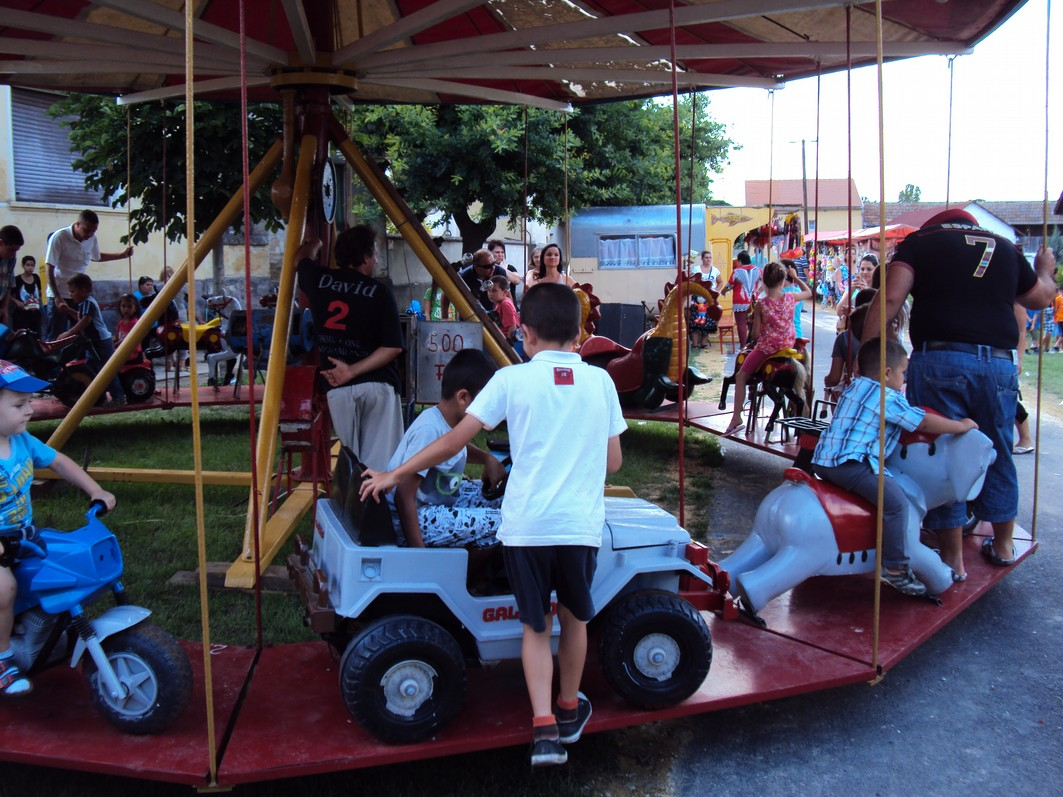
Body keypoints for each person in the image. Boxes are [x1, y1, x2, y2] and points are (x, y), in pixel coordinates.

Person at [360, 283, 626, 768]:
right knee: (574, 619)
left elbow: (450, 442)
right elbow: (612, 464)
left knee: (533, 625)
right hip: (578, 527)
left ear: (524, 333)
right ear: (578, 333)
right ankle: (570, 709)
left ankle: (543, 728)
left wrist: (393, 473)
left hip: (525, 529)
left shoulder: (511, 380)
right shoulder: (601, 383)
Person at [862, 208, 1057, 577]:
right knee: (998, 448)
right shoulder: (1005, 249)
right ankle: (1002, 543)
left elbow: (890, 300)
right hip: (998, 364)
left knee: (942, 451)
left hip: (941, 359)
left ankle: (952, 557)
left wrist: (867, 358)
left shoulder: (919, 243)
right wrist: (1046, 268)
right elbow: (1040, 298)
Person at [812, 338, 978, 594]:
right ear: (887, 373)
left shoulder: (854, 386)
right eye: (903, 373)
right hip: (850, 464)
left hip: (823, 460)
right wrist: (961, 426)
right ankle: (895, 567)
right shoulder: (886, 397)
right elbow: (922, 423)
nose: (903, 379)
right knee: (897, 504)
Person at [0, 359, 116, 696]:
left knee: (61, 567)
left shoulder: (22, 442)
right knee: (4, 589)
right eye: (20, 405)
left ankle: (45, 633)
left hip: (22, 535)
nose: (30, 410)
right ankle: (3, 660)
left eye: (30, 402)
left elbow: (60, 462)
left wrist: (95, 489)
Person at [296, 227, 404, 472]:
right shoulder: (380, 292)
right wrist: (353, 370)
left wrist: (316, 242)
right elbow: (393, 346)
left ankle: (355, 506)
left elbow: (301, 259)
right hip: (377, 386)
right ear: (365, 257)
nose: (376, 260)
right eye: (374, 254)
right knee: (380, 468)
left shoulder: (318, 280)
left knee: (352, 464)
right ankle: (377, 509)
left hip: (337, 387)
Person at [384, 349, 506, 549]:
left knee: (504, 502)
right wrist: (419, 556)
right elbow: (403, 497)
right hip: (415, 518)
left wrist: (488, 459)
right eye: (486, 404)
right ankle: (469, 577)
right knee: (504, 523)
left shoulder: (445, 424)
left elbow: (453, 447)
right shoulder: (429, 429)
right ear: (463, 398)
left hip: (435, 505)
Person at [724, 262, 811, 436]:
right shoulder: (790, 297)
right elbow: (809, 292)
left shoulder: (761, 305)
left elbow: (755, 334)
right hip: (788, 347)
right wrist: (795, 277)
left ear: (763, 282)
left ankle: (736, 417)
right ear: (782, 281)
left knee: (741, 376)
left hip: (767, 350)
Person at [44, 209, 134, 338]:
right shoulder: (59, 237)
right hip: (59, 293)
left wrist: (122, 255)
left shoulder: (92, 239)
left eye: (93, 231)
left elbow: (96, 257)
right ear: (77, 224)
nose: (90, 234)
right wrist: (57, 297)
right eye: (86, 230)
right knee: (56, 335)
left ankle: (77, 358)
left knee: (81, 334)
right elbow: (49, 267)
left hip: (79, 296)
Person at [63, 273, 126, 407]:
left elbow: (85, 321)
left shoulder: (87, 302)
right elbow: (82, 318)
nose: (71, 294)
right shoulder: (84, 304)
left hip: (101, 342)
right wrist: (69, 311)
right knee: (91, 369)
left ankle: (119, 397)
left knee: (106, 370)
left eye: (73, 291)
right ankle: (99, 395)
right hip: (94, 342)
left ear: (84, 290)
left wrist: (69, 333)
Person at [445, 249, 509, 318]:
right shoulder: (464, 277)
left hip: (494, 317)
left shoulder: (500, 272)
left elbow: (507, 294)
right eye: (487, 266)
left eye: (494, 263)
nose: (493, 268)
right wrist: (444, 317)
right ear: (476, 267)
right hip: (470, 317)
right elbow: (446, 294)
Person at [719, 250, 761, 349]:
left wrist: (723, 292)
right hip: (753, 299)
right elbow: (765, 282)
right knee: (754, 323)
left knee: (741, 323)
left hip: (740, 300)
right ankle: (753, 344)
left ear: (739, 261)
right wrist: (758, 291)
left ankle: (743, 346)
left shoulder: (737, 271)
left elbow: (729, 285)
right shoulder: (758, 270)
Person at [9, 256, 42, 334]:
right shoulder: (17, 279)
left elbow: (39, 292)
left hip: (35, 314)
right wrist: (16, 302)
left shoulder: (36, 277)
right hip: (21, 315)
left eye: (32, 265)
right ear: (23, 266)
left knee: (36, 336)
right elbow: (9, 295)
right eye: (28, 265)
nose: (30, 267)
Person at [0, 226, 25, 328]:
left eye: (16, 250)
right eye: (11, 250)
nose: (14, 254)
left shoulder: (11, 258)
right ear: (0, 243)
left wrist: (4, 309)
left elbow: (8, 284)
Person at [487, 239, 522, 305]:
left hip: (509, 305)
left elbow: (517, 280)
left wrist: (503, 269)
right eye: (497, 252)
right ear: (490, 253)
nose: (500, 255)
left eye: (502, 252)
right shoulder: (487, 269)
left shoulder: (510, 268)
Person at [486, 275, 520, 342]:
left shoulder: (505, 304)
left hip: (503, 339)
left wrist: (508, 343)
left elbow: (512, 326)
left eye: (494, 291)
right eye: (489, 290)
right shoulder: (499, 302)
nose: (490, 294)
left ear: (504, 292)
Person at [114, 293, 143, 360]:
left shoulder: (135, 323)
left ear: (135, 308)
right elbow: (117, 338)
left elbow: (127, 340)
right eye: (123, 306)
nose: (126, 309)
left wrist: (115, 347)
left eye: (129, 307)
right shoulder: (120, 322)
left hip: (133, 352)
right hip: (122, 350)